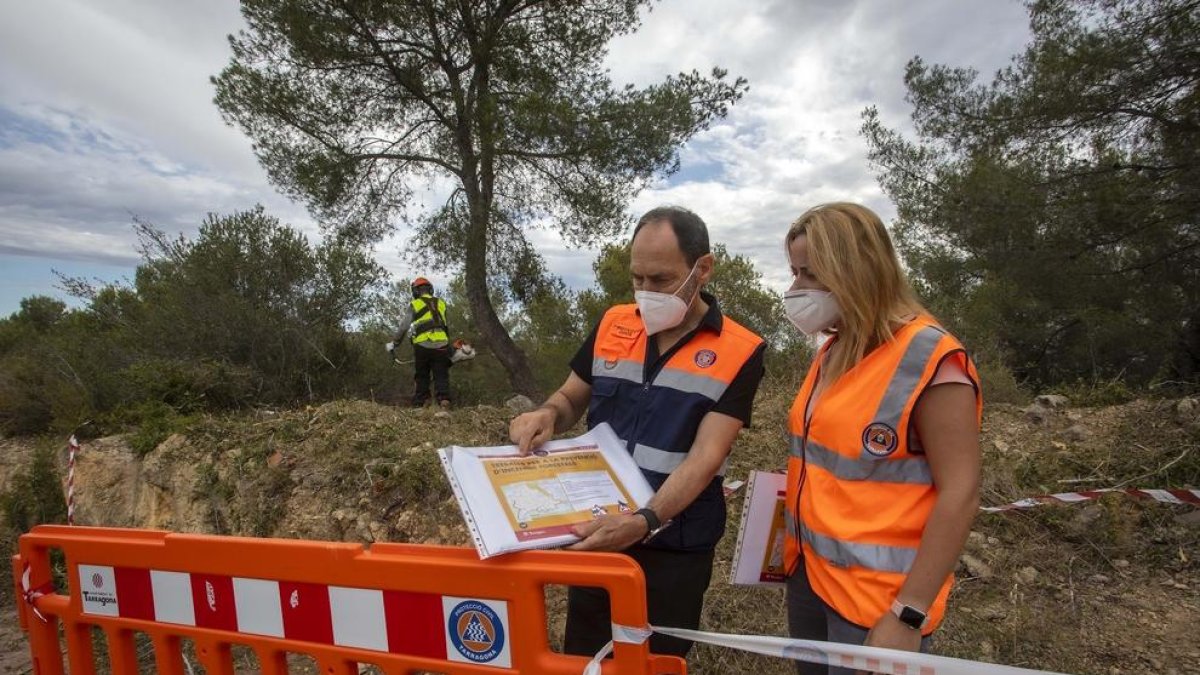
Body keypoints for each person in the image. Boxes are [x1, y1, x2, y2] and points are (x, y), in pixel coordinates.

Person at [509, 206, 766, 658]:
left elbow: (706, 457)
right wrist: (547, 413)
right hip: (598, 532)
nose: (647, 292)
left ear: (702, 269)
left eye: (662, 280)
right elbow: (571, 397)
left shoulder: (740, 351)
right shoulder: (614, 323)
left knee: (653, 662)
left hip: (674, 545)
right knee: (586, 660)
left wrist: (643, 522)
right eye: (638, 279)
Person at [780, 203, 982, 674]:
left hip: (878, 603)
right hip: (812, 579)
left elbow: (962, 493)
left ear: (855, 270)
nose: (796, 290)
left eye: (810, 274)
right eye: (794, 273)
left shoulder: (932, 359)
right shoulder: (834, 350)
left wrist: (908, 615)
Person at [394, 277, 453, 408]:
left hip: (422, 345)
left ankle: (422, 401)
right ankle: (444, 400)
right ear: (430, 289)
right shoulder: (441, 303)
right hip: (442, 344)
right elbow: (444, 324)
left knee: (422, 375)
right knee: (441, 374)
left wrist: (395, 343)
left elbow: (404, 326)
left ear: (416, 291)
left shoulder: (415, 304)